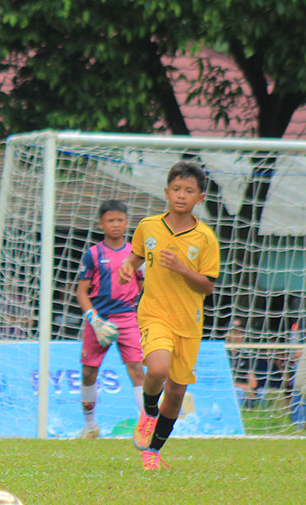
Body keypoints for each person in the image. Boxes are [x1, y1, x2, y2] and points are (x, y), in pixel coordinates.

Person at [118, 161, 220, 470]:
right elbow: (138, 254)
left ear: (199, 198)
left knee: (176, 393)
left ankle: (154, 451)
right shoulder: (149, 226)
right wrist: (127, 267)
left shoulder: (205, 238)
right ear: (166, 192)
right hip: (154, 314)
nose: (181, 195)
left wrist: (182, 269)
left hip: (188, 323)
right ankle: (149, 412)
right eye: (176, 189)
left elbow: (207, 286)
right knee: (158, 369)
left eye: (189, 191)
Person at [75, 200, 145, 439]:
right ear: (101, 224)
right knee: (88, 373)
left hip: (127, 318)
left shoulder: (136, 254)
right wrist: (94, 319)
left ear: (126, 222)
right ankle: (90, 426)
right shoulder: (93, 254)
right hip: (98, 320)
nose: (116, 224)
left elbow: (145, 288)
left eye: (120, 220)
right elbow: (81, 292)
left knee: (137, 368)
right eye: (110, 220)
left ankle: (148, 426)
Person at [225, 318, 260, 407]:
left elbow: (253, 384)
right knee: (238, 391)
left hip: (244, 391)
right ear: (227, 334)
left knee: (264, 393)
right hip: (226, 389)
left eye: (240, 333)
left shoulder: (246, 354)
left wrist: (247, 389)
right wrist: (244, 387)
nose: (238, 336)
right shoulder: (220, 353)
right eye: (235, 333)